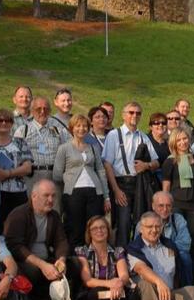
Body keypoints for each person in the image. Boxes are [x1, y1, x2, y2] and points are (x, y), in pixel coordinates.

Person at [2, 180, 74, 300]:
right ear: (33, 196)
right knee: (33, 271)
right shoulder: (19, 215)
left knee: (75, 264)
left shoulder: (54, 215)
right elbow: (15, 247)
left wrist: (61, 260)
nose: (51, 200)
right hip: (24, 261)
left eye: (53, 196)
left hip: (48, 258)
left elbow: (61, 241)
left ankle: (65, 299)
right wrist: (42, 265)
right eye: (46, 195)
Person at [102, 102, 160, 247]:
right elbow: (107, 164)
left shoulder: (143, 137)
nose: (135, 115)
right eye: (131, 112)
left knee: (141, 223)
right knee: (123, 223)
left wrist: (146, 165)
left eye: (138, 113)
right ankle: (120, 259)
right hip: (121, 184)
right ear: (123, 115)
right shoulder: (114, 135)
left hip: (140, 184)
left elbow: (156, 162)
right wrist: (116, 190)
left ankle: (137, 257)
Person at [162, 127, 194, 279]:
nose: (183, 142)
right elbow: (166, 186)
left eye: (185, 139)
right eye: (179, 140)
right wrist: (165, 207)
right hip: (176, 206)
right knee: (178, 241)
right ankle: (178, 277)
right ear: (174, 142)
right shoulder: (170, 161)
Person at [53, 114, 109, 246]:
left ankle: (92, 258)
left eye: (85, 126)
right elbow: (56, 174)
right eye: (78, 126)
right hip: (74, 194)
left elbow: (100, 171)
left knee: (94, 228)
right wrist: (70, 179)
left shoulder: (93, 148)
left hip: (94, 193)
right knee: (75, 228)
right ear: (72, 128)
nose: (81, 129)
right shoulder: (64, 148)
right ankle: (75, 260)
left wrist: (106, 196)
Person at [76, 216, 133, 300]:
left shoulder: (118, 251)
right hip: (92, 298)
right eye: (94, 228)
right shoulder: (82, 251)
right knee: (96, 292)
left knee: (120, 292)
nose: (99, 231)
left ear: (108, 230)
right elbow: (88, 281)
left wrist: (118, 283)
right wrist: (111, 283)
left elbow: (124, 275)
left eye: (102, 227)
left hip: (114, 294)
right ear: (89, 233)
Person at [0, 109, 33, 232]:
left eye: (8, 120)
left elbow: (27, 168)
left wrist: (8, 174)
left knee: (17, 227)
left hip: (17, 193)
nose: (4, 123)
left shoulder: (20, 142)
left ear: (12, 124)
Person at [135, 191, 193, 284]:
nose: (165, 209)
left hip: (174, 255)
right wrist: (164, 251)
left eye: (168, 205)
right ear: (153, 206)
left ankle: (186, 289)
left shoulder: (178, 219)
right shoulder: (143, 223)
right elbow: (138, 247)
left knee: (184, 257)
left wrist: (168, 251)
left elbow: (185, 244)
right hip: (151, 254)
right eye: (161, 206)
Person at [14, 97, 70, 188]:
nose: (42, 112)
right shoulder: (23, 131)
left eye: (46, 109)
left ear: (50, 111)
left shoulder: (58, 131)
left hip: (54, 177)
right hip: (31, 177)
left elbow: (67, 152)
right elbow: (15, 157)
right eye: (38, 109)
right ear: (32, 111)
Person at [146, 112, 170, 187]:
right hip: (150, 181)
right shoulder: (145, 140)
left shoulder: (169, 143)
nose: (160, 125)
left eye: (163, 123)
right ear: (151, 126)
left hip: (166, 181)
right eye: (156, 123)